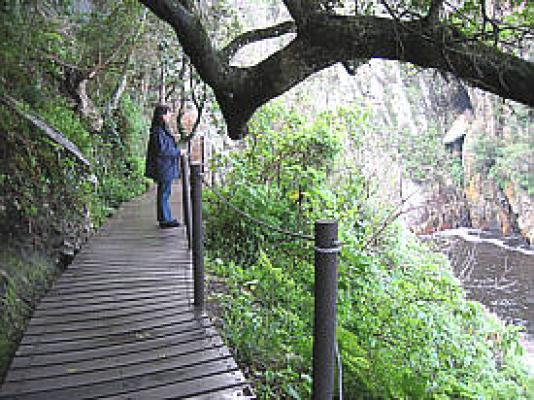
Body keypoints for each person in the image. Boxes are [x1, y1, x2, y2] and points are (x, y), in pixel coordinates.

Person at [145, 104, 182, 228]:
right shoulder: (158, 131)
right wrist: (178, 152)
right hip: (163, 167)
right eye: (168, 113)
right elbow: (162, 151)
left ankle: (165, 218)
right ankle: (165, 220)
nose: (170, 116)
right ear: (162, 116)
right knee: (164, 193)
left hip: (165, 167)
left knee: (165, 193)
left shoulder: (160, 130)